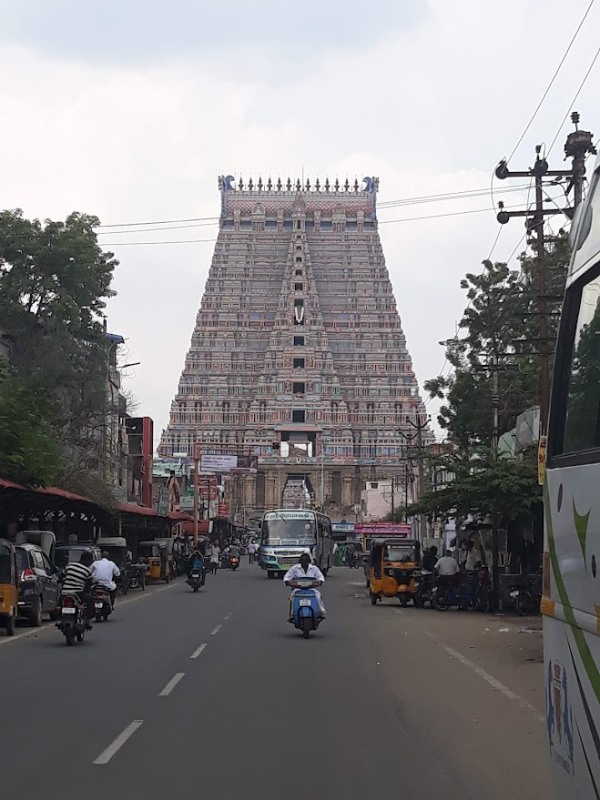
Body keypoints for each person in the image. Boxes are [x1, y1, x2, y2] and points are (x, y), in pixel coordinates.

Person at [283, 552, 326, 620]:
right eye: (302, 560)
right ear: (300, 561)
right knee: (292, 598)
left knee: (318, 597)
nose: (304, 562)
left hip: (311, 589)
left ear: (308, 561)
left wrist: (320, 581)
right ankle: (291, 615)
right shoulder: (294, 568)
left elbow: (320, 576)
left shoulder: (314, 568)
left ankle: (321, 612)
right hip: (298, 589)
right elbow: (287, 576)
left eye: (305, 561)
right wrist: (287, 581)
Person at [60, 551, 95, 626]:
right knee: (91, 600)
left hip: (65, 592)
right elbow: (88, 585)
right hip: (78, 593)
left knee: (59, 604)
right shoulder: (87, 571)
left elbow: (61, 577)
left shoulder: (70, 565)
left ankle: (60, 618)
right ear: (88, 561)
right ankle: (86, 619)